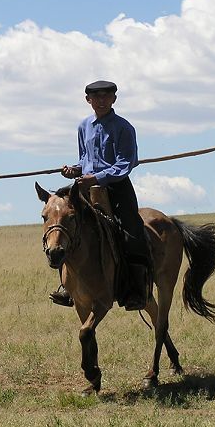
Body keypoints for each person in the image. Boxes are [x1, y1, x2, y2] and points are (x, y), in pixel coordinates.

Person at [50, 80, 152, 310]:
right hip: (85, 189)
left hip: (116, 188)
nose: (102, 100)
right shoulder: (83, 127)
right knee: (65, 227)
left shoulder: (124, 128)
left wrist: (95, 178)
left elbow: (125, 163)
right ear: (88, 100)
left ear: (114, 99)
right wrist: (73, 170)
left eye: (107, 96)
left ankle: (137, 290)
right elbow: (85, 160)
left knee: (131, 232)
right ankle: (69, 287)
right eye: (96, 97)